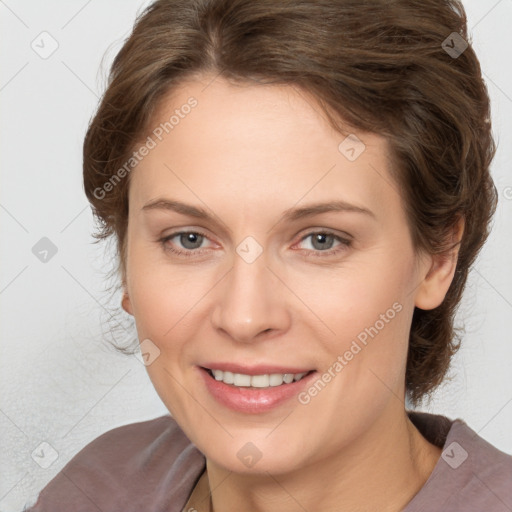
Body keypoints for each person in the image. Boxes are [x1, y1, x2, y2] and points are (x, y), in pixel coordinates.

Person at [26, 0, 512, 510]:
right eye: (188, 238)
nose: (245, 316)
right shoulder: (96, 489)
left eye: (321, 240)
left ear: (437, 257)